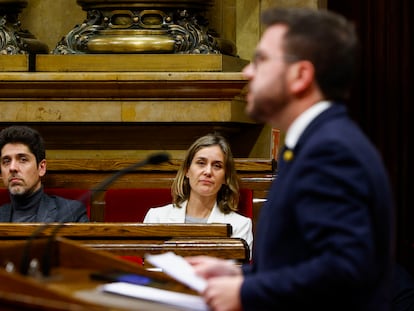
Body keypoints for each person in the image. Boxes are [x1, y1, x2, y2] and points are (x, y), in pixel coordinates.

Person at [185, 7, 394, 311]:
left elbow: (346, 269)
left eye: (262, 60)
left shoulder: (331, 150)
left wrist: (247, 292)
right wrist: (241, 274)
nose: (247, 72)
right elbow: (304, 260)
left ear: (300, 76)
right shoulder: (311, 143)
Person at [143, 132, 253, 256]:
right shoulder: (157, 218)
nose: (208, 171)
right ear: (187, 171)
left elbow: (235, 273)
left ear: (225, 178)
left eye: (217, 166)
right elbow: (146, 268)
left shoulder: (240, 225)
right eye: (201, 163)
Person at [0, 125, 89, 222]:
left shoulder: (71, 212)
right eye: (6, 161)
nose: (12, 168)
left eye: (23, 159)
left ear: (41, 167)